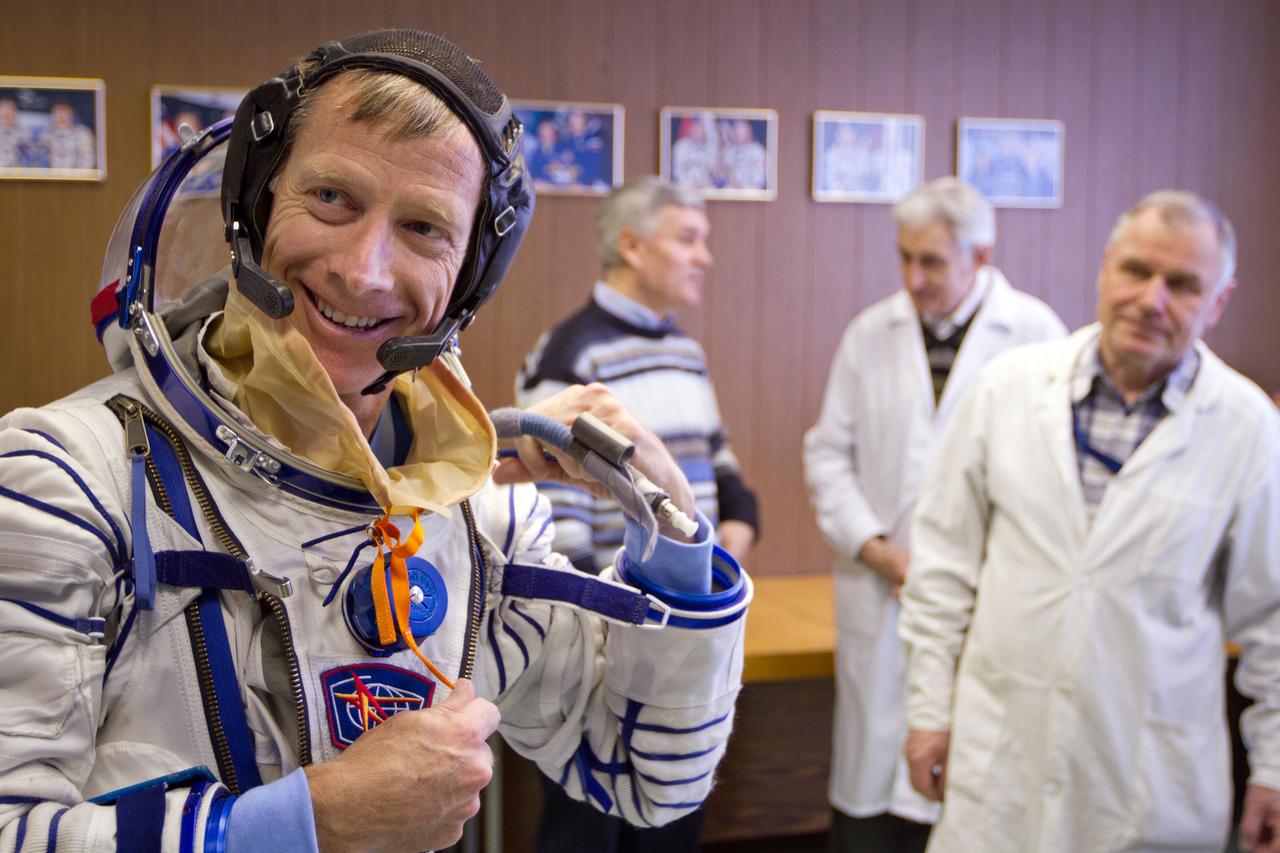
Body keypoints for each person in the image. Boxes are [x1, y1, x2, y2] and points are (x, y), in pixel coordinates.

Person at [0, 29, 751, 853]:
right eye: (331, 197)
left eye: (425, 227)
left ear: (470, 276)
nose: (363, 271)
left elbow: (646, 774)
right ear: (256, 199)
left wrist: (670, 519)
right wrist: (306, 824)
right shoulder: (68, 484)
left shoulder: (478, 520)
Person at [898, 190, 1280, 852]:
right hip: (1000, 764)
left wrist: (1274, 766)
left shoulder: (1249, 429)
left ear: (1217, 302)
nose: (1151, 299)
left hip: (1151, 781)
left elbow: (1273, 617)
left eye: (1183, 284)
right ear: (1105, 268)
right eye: (1136, 270)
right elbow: (942, 570)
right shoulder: (1006, 389)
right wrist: (930, 711)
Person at [804, 176, 1065, 853]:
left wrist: (960, 570)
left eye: (933, 262)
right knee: (871, 807)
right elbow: (828, 455)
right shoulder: (872, 333)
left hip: (988, 602)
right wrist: (880, 549)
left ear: (980, 257)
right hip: (880, 588)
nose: (914, 278)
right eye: (905, 258)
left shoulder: (1037, 336)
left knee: (974, 796)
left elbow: (1055, 482)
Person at [516, 177, 759, 852]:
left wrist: (737, 523)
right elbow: (555, 525)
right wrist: (629, 624)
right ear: (631, 245)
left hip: (683, 632)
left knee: (674, 826)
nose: (704, 257)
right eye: (688, 238)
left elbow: (720, 464)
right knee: (586, 830)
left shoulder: (685, 350)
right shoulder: (570, 357)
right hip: (608, 649)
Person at [44, 99, 96, 170]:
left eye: (65, 112)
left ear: (72, 114)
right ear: (52, 114)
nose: (61, 116)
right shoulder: (45, 134)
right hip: (51, 178)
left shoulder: (83, 134)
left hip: (76, 178)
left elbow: (88, 161)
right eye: (58, 112)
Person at [719, 118, 766, 190]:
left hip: (750, 191)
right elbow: (722, 176)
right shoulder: (728, 151)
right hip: (731, 191)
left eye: (740, 129)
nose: (737, 133)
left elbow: (758, 181)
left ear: (748, 130)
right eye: (735, 129)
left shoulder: (757, 151)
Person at [0, 95, 34, 168]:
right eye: (3, 108)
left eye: (9, 108)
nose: (6, 112)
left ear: (15, 111)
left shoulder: (23, 133)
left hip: (15, 173)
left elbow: (31, 155)